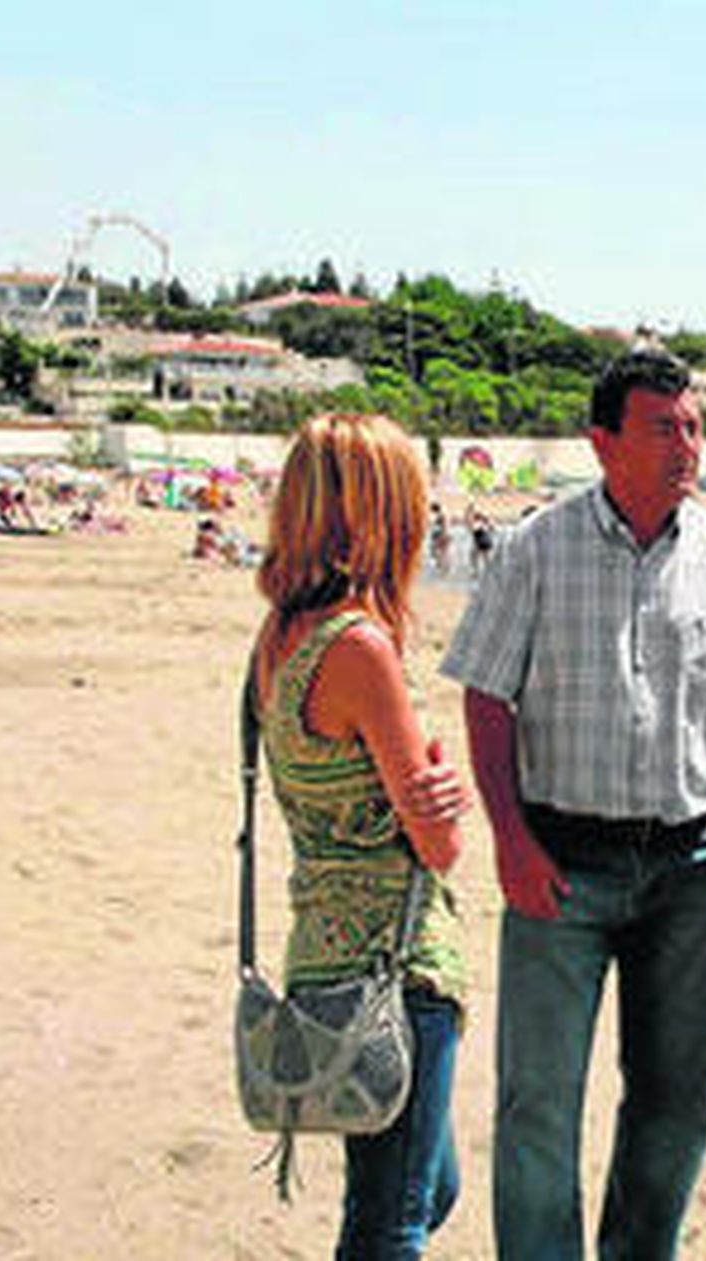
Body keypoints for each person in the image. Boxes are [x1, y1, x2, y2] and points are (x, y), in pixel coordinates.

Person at [441, 347, 706, 1260]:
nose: (687, 443)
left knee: (677, 1096)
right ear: (602, 441)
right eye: (663, 426)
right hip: (558, 860)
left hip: (691, 867)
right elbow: (487, 695)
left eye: (692, 424)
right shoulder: (535, 549)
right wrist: (511, 839)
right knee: (538, 1102)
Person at [253, 412, 471, 1257]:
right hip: (396, 964)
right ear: (383, 515)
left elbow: (336, 790)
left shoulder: (278, 640)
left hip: (323, 955)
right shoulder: (360, 645)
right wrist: (444, 797)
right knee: (390, 1224)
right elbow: (439, 846)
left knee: (420, 1188)